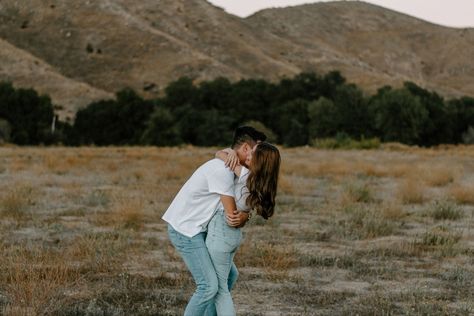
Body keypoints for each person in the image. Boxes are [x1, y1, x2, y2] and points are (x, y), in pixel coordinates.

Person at [162, 126, 266, 316]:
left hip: (200, 228)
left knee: (230, 275)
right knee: (208, 286)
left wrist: (223, 153)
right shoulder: (222, 170)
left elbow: (240, 208)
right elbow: (232, 214)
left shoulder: (233, 168)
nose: (259, 157)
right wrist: (243, 215)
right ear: (245, 149)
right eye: (256, 151)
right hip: (185, 230)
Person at [207, 141, 281, 316]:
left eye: (252, 154)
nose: (247, 154)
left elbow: (220, 156)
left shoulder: (246, 174)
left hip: (221, 231)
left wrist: (225, 152)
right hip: (231, 234)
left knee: (219, 290)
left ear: (260, 161)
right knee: (222, 283)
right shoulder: (261, 181)